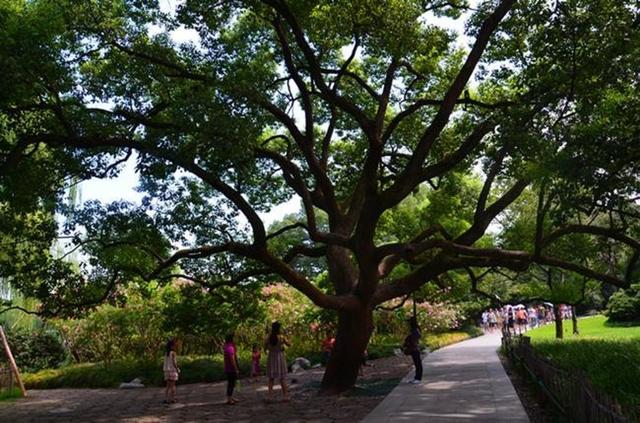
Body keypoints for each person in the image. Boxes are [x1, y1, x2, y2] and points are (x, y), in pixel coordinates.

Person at [265, 321, 289, 401]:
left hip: (271, 357)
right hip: (279, 357)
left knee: (271, 378)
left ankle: (270, 397)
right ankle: (286, 396)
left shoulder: (268, 337)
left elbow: (265, 347)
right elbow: (289, 344)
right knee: (282, 378)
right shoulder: (281, 337)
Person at [403, 317, 422, 384]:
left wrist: (409, 343)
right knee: (417, 363)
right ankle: (417, 377)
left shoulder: (415, 330)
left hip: (415, 349)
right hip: (414, 348)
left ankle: (418, 378)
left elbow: (415, 339)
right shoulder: (414, 330)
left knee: (418, 363)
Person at [223, 334, 240, 405]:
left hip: (228, 368)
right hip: (231, 369)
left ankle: (230, 397)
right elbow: (232, 359)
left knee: (231, 383)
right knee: (231, 383)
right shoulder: (230, 348)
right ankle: (229, 399)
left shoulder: (228, 346)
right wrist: (236, 368)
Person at [163, 339, 180, 404]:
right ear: (172, 346)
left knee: (167, 386)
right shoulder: (173, 353)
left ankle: (166, 399)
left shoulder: (166, 353)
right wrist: (177, 368)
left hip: (167, 371)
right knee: (173, 386)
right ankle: (172, 399)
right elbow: (174, 362)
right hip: (172, 370)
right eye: (174, 345)